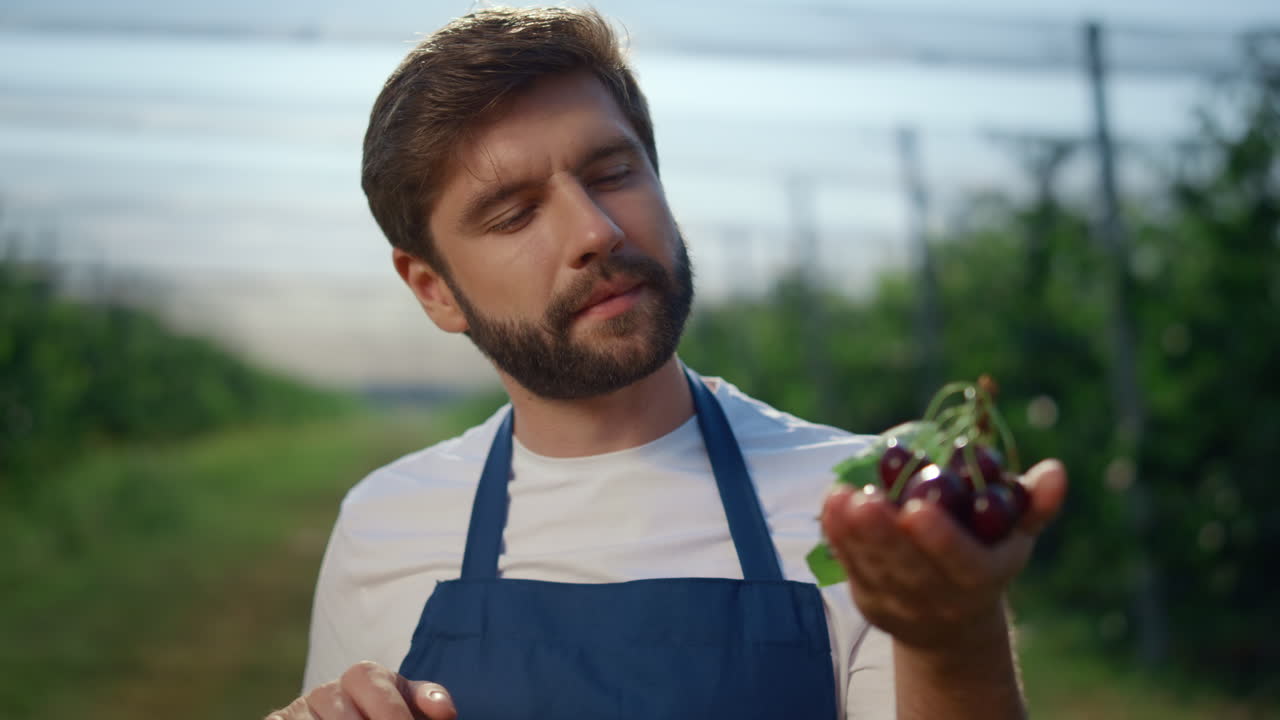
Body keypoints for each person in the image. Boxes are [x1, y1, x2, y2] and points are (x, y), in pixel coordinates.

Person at [267, 7, 1067, 719]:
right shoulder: (382, 528)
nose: (595, 232)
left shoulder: (849, 507)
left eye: (613, 173)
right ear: (434, 289)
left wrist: (953, 640)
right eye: (514, 214)